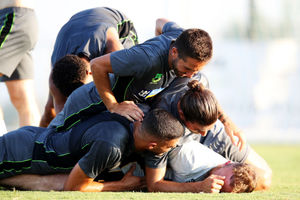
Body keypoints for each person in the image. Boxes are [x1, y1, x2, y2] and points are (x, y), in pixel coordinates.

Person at [49, 18, 243, 148]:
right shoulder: (145, 59)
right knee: (52, 137)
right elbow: (97, 65)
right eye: (188, 68)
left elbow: (160, 22)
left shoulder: (182, 39)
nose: (191, 74)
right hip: (96, 98)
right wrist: (113, 105)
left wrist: (225, 119)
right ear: (174, 52)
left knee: (202, 81)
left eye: (196, 69)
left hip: (135, 100)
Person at [0, 109, 184, 191]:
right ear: (152, 145)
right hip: (21, 152)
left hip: (32, 138)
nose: (171, 150)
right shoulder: (112, 145)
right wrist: (122, 186)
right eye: (169, 147)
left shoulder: (132, 120)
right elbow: (74, 187)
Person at [144, 79, 272, 192]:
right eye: (199, 129)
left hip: (218, 142)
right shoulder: (165, 127)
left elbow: (207, 98)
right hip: (183, 150)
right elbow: (154, 185)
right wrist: (199, 187)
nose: (204, 133)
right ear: (182, 115)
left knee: (264, 180)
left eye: (208, 127)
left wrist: (227, 121)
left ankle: (224, 169)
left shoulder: (198, 81)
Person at [40, 7, 138, 127]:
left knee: (123, 85)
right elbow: (64, 119)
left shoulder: (110, 45)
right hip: (75, 26)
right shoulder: (54, 80)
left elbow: (128, 75)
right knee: (50, 108)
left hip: (119, 28)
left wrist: (115, 106)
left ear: (90, 72)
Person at [122, 140, 257, 193]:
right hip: (123, 157)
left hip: (128, 175)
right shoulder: (191, 157)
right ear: (229, 163)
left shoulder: (221, 172)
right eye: (223, 180)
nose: (216, 186)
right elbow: (154, 185)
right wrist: (198, 187)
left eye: (221, 191)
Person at [0, 0, 40, 127]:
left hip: (12, 18)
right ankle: (35, 145)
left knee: (23, 99)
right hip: (20, 19)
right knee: (21, 97)